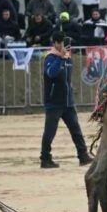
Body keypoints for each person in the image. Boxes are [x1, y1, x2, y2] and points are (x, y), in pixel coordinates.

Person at [40, 31, 94, 168]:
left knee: (76, 129)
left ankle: (83, 155)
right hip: (54, 102)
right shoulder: (50, 58)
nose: (67, 47)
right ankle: (45, 158)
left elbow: (67, 77)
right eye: (64, 43)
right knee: (50, 131)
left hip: (68, 101)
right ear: (57, 43)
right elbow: (51, 73)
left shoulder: (67, 58)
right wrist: (61, 58)